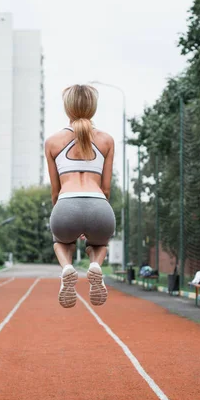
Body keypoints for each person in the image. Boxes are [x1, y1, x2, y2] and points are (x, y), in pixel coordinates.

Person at [45, 84, 116, 309]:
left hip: (66, 205)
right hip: (99, 207)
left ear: (68, 109)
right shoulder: (106, 140)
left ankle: (67, 268)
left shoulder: (52, 142)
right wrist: (92, 217)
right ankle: (95, 266)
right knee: (100, 243)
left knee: (61, 242)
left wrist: (68, 219)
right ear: (93, 108)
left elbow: (55, 192)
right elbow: (106, 190)